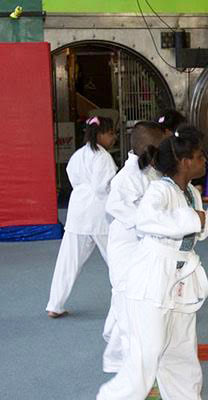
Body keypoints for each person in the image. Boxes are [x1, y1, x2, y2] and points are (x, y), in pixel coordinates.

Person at [97, 127, 208, 399]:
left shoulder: (191, 194)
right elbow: (147, 221)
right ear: (185, 163)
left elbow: (196, 233)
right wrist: (196, 218)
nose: (204, 162)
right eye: (199, 157)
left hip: (180, 283)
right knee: (143, 365)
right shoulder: (158, 190)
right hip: (152, 280)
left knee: (181, 358)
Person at [101, 121, 168, 373]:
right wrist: (151, 221)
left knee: (132, 302)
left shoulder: (151, 171)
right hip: (126, 245)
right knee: (127, 301)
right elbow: (115, 208)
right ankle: (128, 362)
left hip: (144, 246)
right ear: (149, 148)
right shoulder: (126, 177)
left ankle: (121, 351)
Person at [46, 116, 117, 318]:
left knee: (67, 261)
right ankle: (130, 298)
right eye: (110, 133)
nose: (113, 138)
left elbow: (74, 179)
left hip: (78, 213)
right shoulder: (103, 157)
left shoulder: (79, 155)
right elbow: (102, 187)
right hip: (98, 215)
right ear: (100, 134)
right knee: (116, 258)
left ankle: (54, 304)